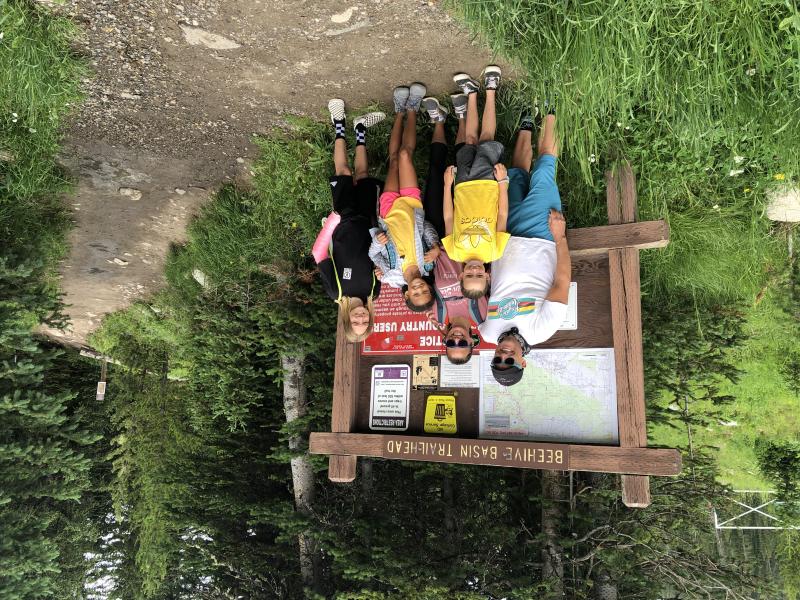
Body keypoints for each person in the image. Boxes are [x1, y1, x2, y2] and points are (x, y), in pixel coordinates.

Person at [477, 107, 572, 386]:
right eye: (510, 362)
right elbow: (562, 282)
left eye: (497, 360)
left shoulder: (487, 331)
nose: (504, 356)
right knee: (544, 171)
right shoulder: (541, 331)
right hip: (541, 237)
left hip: (505, 236)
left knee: (517, 174)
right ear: (523, 361)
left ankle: (527, 121)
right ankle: (552, 108)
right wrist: (560, 237)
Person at [419, 92, 487, 365]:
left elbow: (421, 280)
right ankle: (461, 118)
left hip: (438, 235)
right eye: (463, 344)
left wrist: (434, 253)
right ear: (472, 340)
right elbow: (489, 273)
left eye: (451, 344)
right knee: (462, 177)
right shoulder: (480, 315)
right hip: (469, 233)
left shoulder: (437, 313)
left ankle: (438, 120)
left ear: (445, 340)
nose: (456, 339)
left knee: (436, 177)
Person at [312, 98, 386, 342]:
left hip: (343, 221)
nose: (361, 318)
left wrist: (333, 221)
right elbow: (378, 259)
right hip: (369, 222)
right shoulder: (374, 292)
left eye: (356, 322)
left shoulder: (336, 292)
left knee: (343, 172)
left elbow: (319, 254)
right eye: (365, 322)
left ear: (346, 319)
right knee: (363, 175)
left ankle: (339, 124)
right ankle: (360, 129)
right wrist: (381, 268)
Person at [440, 66, 510, 301]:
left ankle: (471, 92)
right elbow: (502, 215)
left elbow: (448, 218)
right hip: (488, 186)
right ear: (487, 276)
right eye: (479, 275)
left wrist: (447, 186)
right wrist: (502, 183)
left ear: (461, 276)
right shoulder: (494, 252)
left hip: (462, 186)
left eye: (469, 275)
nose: (474, 271)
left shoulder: (454, 252)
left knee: (469, 141)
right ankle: (491, 88)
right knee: (487, 138)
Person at [369, 83, 440, 312]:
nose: (419, 289)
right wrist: (436, 246)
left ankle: (399, 111)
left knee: (394, 162)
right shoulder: (428, 263)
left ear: (407, 294)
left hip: (388, 212)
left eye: (415, 294)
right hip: (412, 207)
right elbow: (426, 227)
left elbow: (373, 254)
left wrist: (377, 241)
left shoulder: (390, 275)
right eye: (425, 291)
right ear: (429, 287)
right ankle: (412, 109)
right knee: (404, 155)